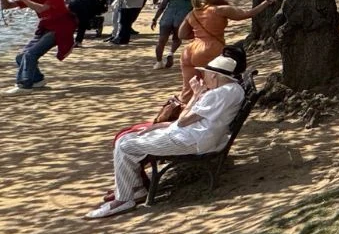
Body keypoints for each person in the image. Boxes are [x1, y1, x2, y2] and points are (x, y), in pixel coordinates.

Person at [86, 50, 249, 218]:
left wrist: (196, 95)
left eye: (205, 74)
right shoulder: (232, 89)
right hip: (199, 136)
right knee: (127, 138)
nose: (203, 77)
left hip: (193, 140)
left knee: (126, 146)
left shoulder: (217, 94)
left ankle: (125, 199)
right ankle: (134, 189)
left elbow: (182, 121)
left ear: (214, 76)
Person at [178, 0, 274, 102]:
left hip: (190, 50)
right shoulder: (221, 9)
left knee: (188, 88)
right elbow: (247, 14)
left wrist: (200, 35)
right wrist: (268, 1)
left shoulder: (193, 12)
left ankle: (181, 113)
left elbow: (182, 34)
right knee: (213, 86)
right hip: (210, 48)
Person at [4, 0, 76, 92]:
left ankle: (24, 84)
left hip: (59, 30)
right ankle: (38, 80)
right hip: (45, 29)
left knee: (30, 54)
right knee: (20, 57)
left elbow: (42, 9)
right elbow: (7, 6)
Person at [152, 0, 197, 70]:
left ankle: (159, 62)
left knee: (161, 41)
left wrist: (155, 19)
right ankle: (171, 53)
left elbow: (162, 6)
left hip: (167, 17)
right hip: (182, 18)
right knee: (177, 39)